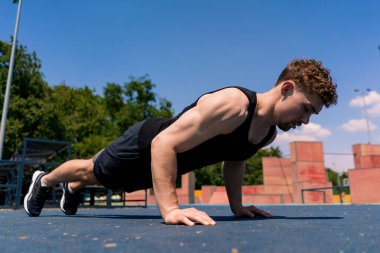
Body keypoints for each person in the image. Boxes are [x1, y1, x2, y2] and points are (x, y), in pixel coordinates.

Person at [24, 58, 337, 226]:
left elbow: (235, 161)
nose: (306, 121)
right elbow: (163, 144)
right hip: (148, 144)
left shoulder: (267, 131)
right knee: (93, 171)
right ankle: (46, 180)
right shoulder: (235, 105)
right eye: (306, 109)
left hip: (168, 164)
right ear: (286, 88)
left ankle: (72, 189)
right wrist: (170, 208)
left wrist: (237, 207)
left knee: (106, 180)